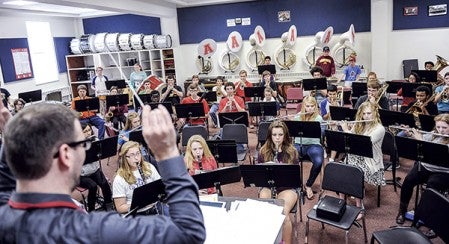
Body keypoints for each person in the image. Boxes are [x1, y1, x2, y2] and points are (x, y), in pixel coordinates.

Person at [0, 103, 205, 243]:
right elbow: (189, 232)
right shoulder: (92, 231)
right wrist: (168, 152)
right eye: (83, 143)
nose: (86, 149)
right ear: (65, 154)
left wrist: (14, 136)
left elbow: (4, 187)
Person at [395, 113, 449, 225]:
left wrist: (422, 141)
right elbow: (422, 141)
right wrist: (411, 134)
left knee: (431, 186)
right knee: (408, 181)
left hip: (443, 171)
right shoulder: (434, 134)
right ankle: (402, 210)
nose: (441, 130)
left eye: (444, 127)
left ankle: (422, 214)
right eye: (438, 127)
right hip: (426, 166)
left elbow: (434, 150)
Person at [340, 101, 385, 218]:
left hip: (371, 161)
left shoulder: (380, 129)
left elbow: (362, 143)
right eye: (364, 114)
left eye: (369, 113)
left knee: (354, 173)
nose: (366, 116)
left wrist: (346, 130)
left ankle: (360, 208)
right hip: (356, 157)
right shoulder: (359, 125)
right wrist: (343, 128)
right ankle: (341, 203)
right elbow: (350, 140)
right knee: (341, 170)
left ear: (375, 113)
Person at [257, 120, 299, 244]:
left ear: (285, 135)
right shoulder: (263, 151)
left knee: (283, 213)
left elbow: (295, 178)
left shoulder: (292, 152)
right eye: (274, 135)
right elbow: (259, 176)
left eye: (280, 135)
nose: (277, 138)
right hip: (268, 186)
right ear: (270, 135)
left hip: (287, 187)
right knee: (266, 210)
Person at [112, 141, 161, 214]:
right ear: (125, 158)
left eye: (138, 153)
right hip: (136, 213)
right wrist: (139, 204)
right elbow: (120, 207)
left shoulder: (149, 167)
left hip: (155, 206)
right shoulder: (119, 179)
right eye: (132, 155)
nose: (136, 158)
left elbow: (160, 188)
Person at [293, 96, 324, 200]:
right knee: (289, 157)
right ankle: (295, 184)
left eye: (312, 106)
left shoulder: (319, 118)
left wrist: (324, 127)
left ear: (315, 106)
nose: (310, 108)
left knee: (319, 161)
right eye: (307, 106)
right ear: (303, 106)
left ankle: (308, 185)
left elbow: (322, 134)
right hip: (298, 144)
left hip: (314, 145)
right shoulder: (297, 117)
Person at [78, 123, 113, 212]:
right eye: (85, 131)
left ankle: (108, 203)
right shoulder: (76, 145)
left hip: (94, 169)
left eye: (89, 130)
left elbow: (101, 153)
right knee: (92, 186)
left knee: (104, 183)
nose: (88, 133)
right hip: (81, 174)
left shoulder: (95, 139)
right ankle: (91, 209)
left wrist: (96, 144)